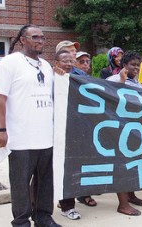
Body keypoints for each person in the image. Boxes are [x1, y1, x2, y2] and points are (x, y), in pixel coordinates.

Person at [0, 24, 61, 227]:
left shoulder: (46, 66)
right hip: (21, 138)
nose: (40, 41)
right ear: (23, 39)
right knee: (21, 184)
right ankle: (21, 221)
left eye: (42, 37)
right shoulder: (10, 63)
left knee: (45, 181)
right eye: (35, 37)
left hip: (46, 137)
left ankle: (43, 216)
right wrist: (1, 129)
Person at [107, 51, 142, 216]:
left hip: (134, 130)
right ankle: (122, 204)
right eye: (133, 65)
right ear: (124, 66)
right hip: (118, 129)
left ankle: (130, 195)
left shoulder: (138, 83)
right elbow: (109, 100)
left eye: (138, 65)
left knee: (133, 163)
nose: (136, 68)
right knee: (121, 166)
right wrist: (121, 82)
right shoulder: (113, 80)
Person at [53, 50, 83, 220]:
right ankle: (33, 206)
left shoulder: (77, 79)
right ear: (56, 62)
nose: (69, 64)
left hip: (72, 132)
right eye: (65, 60)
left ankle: (67, 206)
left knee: (68, 169)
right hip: (52, 132)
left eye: (72, 61)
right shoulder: (50, 78)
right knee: (43, 171)